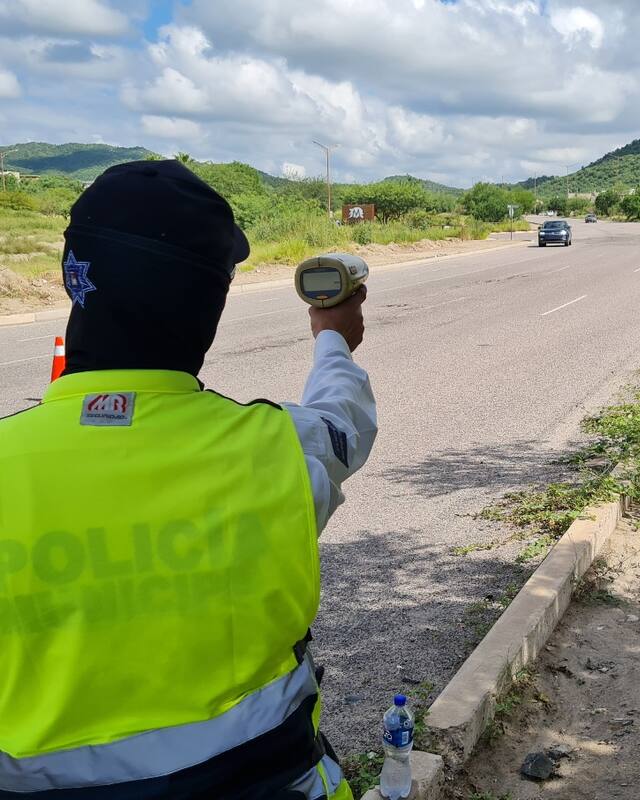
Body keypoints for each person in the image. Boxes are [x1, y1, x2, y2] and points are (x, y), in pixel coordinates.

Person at [0, 160, 377, 799]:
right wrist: (333, 339)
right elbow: (344, 420)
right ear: (212, 300)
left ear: (74, 279)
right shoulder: (281, 451)